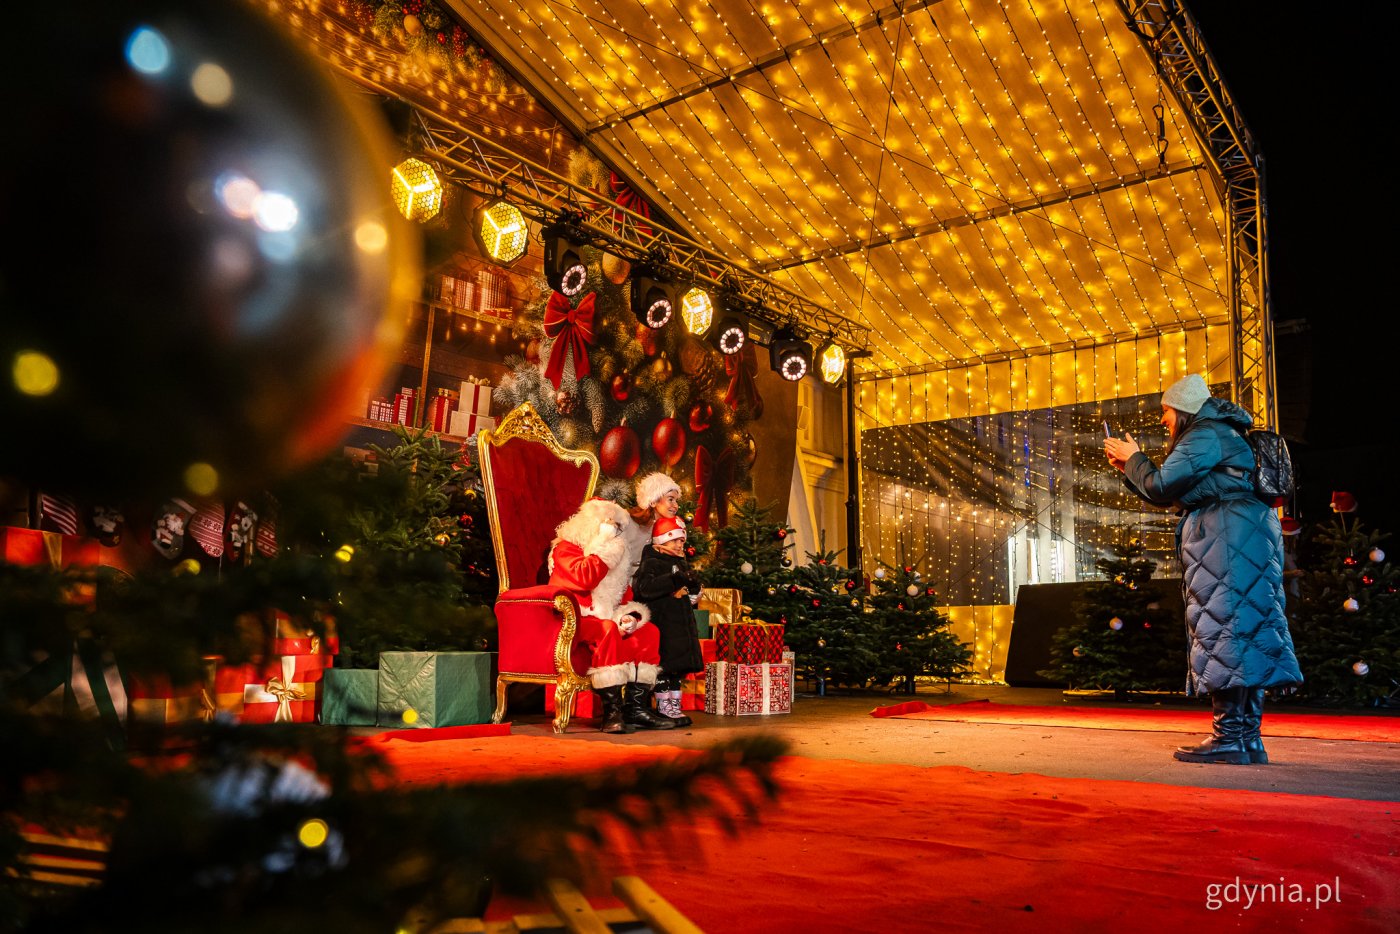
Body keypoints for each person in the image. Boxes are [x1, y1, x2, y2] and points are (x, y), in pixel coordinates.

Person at [1103, 373, 1302, 765]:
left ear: (1183, 409)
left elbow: (1161, 486)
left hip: (1226, 536)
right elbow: (1171, 493)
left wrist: (1135, 458)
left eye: (1166, 410)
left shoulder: (1206, 433)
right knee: (1246, 631)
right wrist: (1129, 468)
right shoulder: (1223, 433)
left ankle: (1228, 739)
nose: (1163, 419)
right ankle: (1246, 739)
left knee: (1225, 631)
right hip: (1243, 533)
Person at [547, 497, 676, 734]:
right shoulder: (566, 548)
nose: (613, 531)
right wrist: (605, 546)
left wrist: (630, 617)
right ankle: (612, 712)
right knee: (607, 629)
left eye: (617, 527)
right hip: (573, 621)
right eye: (608, 524)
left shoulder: (615, 554)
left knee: (648, 631)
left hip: (606, 619)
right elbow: (585, 577)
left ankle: (636, 708)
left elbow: (624, 598)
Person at [631, 515, 705, 726]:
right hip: (663, 623)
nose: (680, 545)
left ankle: (674, 706)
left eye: (682, 541)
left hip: (679, 625)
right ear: (661, 540)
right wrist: (674, 579)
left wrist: (693, 588)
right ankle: (664, 706)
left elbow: (684, 592)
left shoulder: (678, 562)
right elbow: (645, 588)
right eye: (675, 540)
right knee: (664, 666)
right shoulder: (652, 562)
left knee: (676, 669)